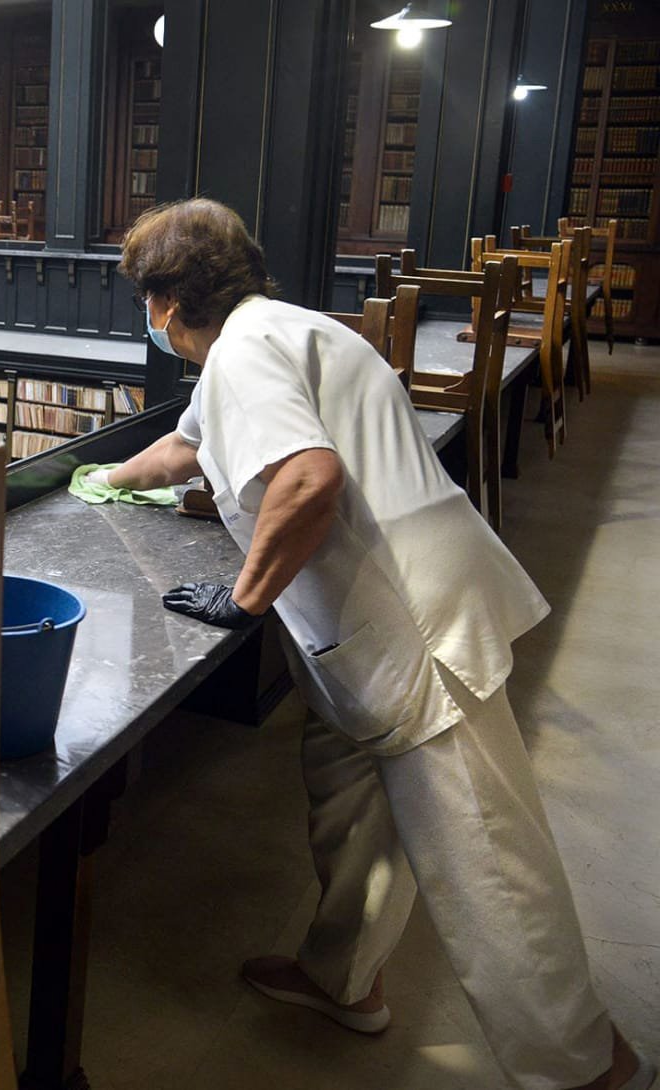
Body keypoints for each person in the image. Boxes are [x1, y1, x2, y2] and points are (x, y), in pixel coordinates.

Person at [101, 198, 652, 1090]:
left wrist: (245, 600)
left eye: (143, 298)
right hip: (374, 630)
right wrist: (103, 479)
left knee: (488, 858)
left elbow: (308, 479)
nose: (145, 316)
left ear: (167, 300)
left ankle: (587, 1064)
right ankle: (341, 980)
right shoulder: (282, 328)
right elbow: (181, 448)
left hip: (415, 633)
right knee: (352, 800)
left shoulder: (243, 353)